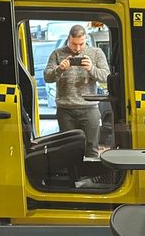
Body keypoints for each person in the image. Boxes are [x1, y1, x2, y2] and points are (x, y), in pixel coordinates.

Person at [43, 25, 110, 157]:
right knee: (68, 151)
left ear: (86, 39)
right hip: (65, 110)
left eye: (81, 44)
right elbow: (47, 77)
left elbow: (106, 77)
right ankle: (71, 171)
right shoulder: (57, 53)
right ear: (69, 39)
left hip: (89, 109)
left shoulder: (96, 53)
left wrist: (91, 69)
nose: (78, 48)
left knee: (92, 149)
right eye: (74, 44)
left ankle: (90, 171)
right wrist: (59, 69)